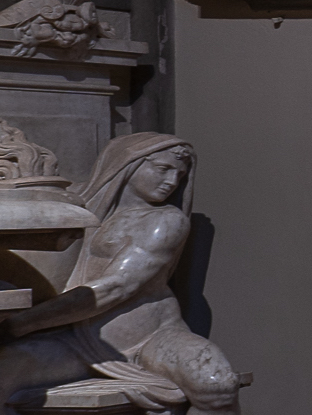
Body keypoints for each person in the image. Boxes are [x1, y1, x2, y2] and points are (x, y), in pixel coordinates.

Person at [0, 135, 243, 411]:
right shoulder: (78, 206)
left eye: (180, 174)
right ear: (128, 164)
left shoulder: (165, 221)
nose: (172, 181)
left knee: (216, 383)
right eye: (163, 169)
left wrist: (21, 324)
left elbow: (115, 288)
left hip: (150, 337)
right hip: (75, 338)